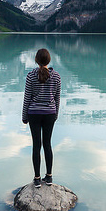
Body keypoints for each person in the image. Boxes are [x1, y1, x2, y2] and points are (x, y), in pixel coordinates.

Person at [22, 48, 61, 188]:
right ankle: (49, 177)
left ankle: (37, 179)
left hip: (34, 113)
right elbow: (57, 98)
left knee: (36, 146)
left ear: (36, 60)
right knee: (47, 144)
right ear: (49, 60)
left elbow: (27, 98)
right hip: (50, 113)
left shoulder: (31, 76)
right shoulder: (56, 76)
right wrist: (55, 115)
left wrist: (24, 116)